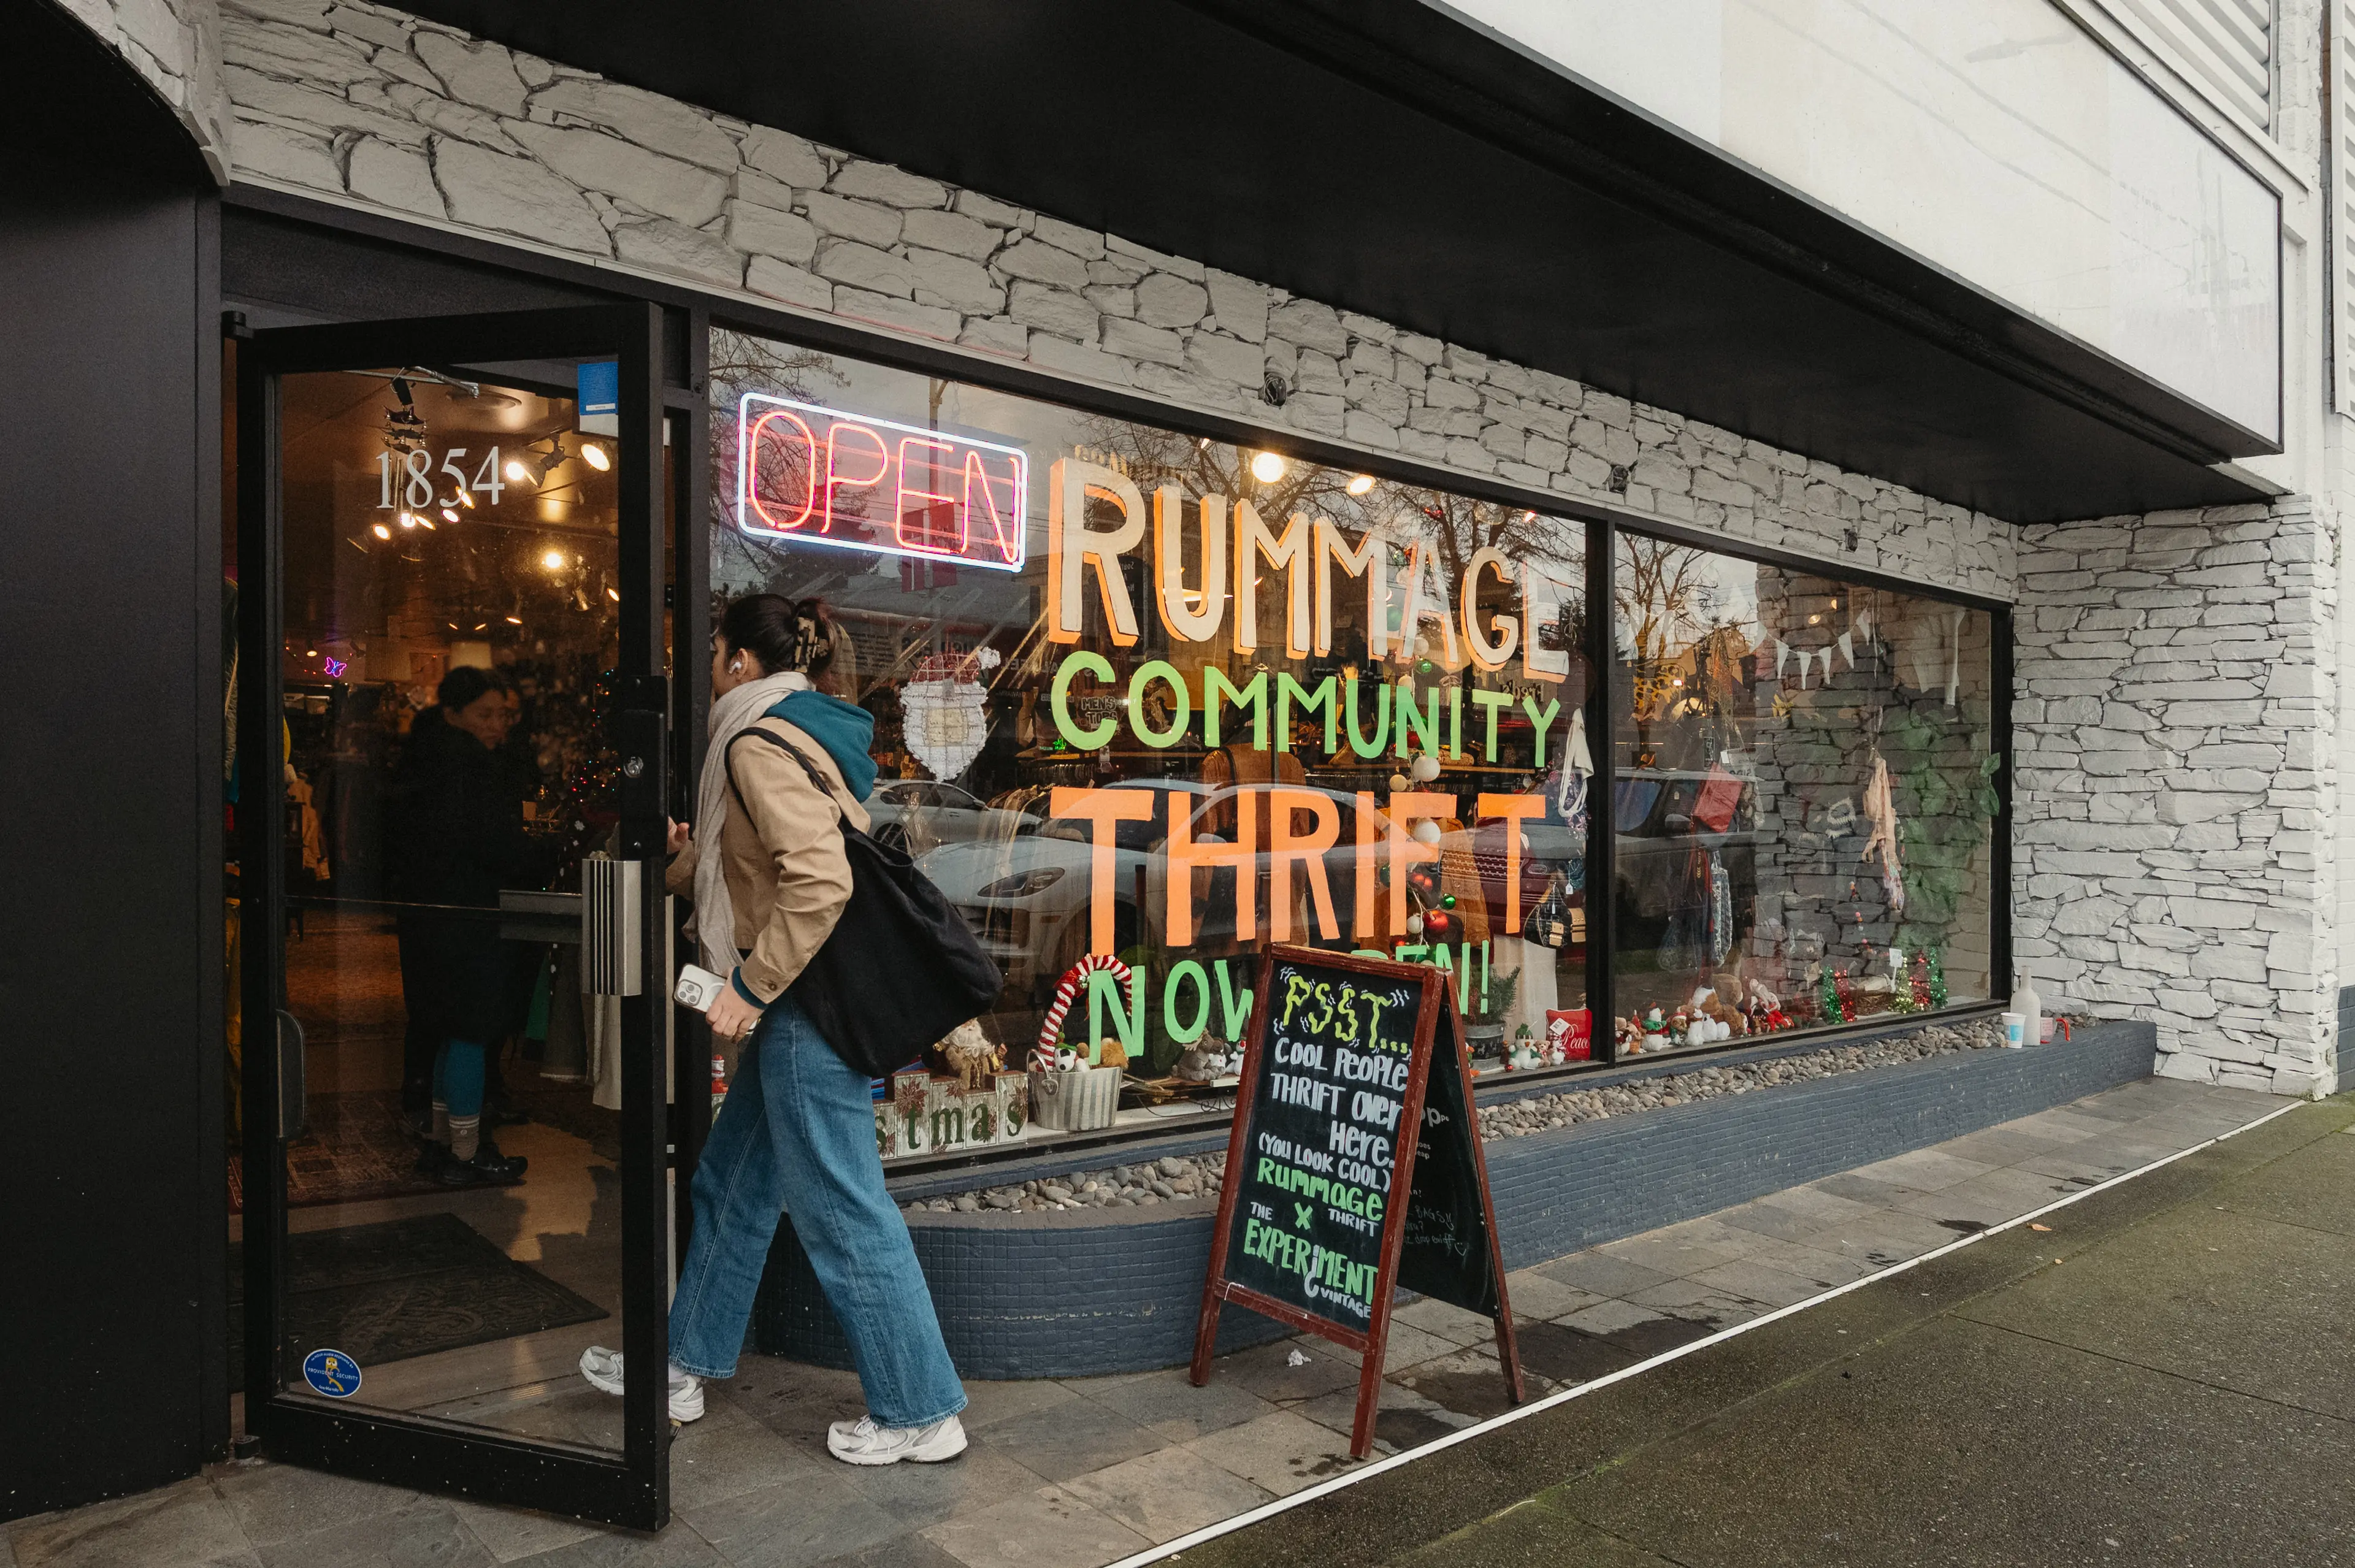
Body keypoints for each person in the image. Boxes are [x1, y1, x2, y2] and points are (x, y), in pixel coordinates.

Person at [577, 595, 968, 1465]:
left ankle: (921, 1407)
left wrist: (750, 987)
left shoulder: (754, 743)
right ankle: (682, 1364)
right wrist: (692, 862)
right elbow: (765, 871)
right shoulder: (798, 734)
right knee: (735, 1184)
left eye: (713, 649)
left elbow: (819, 880)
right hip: (804, 997)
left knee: (838, 1204)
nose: (707, 664)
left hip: (805, 1004)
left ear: (743, 662)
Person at [388, 665, 530, 1186]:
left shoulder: (422, 761)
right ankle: (466, 1153)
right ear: (453, 715)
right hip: (466, 917)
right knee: (471, 1031)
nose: (497, 726)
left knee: (450, 1032)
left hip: (429, 917)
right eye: (484, 714)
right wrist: (537, 851)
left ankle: (444, 1143)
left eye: (503, 715)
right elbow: (495, 845)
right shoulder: (471, 768)